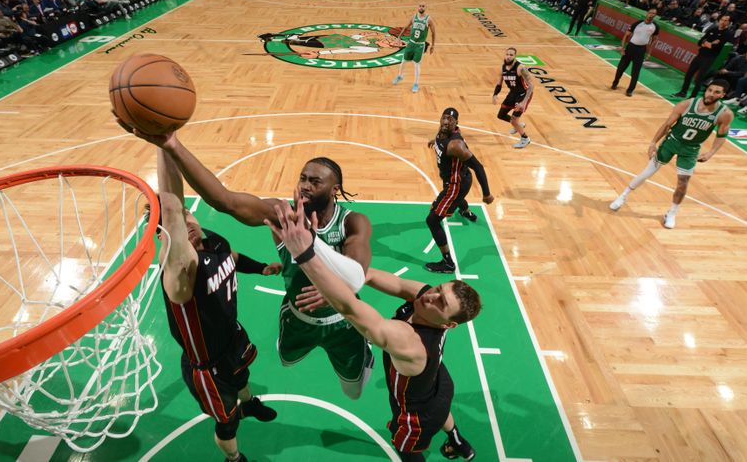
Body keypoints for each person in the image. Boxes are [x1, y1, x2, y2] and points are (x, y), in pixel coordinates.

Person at [119, 126, 375, 400]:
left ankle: (363, 354)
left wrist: (329, 286)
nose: (305, 186)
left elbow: (357, 272)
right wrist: (172, 145)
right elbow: (225, 201)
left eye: (315, 182)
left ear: (335, 189)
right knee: (287, 358)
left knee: (353, 392)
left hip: (343, 319)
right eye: (303, 178)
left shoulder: (352, 222)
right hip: (298, 317)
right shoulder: (282, 214)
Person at [266, 196, 481, 462]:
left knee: (408, 451)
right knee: (440, 401)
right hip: (439, 383)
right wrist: (343, 281)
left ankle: (445, 444)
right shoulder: (426, 301)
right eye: (439, 289)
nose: (431, 296)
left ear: (449, 324)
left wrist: (305, 253)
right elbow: (369, 275)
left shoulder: (409, 342)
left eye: (441, 302)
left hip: (416, 413)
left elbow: (349, 309)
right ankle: (457, 439)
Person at [154, 148, 278, 462]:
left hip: (233, 338)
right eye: (179, 222)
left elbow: (232, 258)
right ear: (167, 235)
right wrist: (162, 142)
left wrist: (260, 267)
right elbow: (170, 207)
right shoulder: (181, 269)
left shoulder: (213, 240)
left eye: (188, 214)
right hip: (207, 367)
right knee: (227, 421)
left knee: (243, 377)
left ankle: (249, 403)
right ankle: (234, 458)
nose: (187, 221)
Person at [610, 80, 733, 228]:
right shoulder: (687, 105)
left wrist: (711, 153)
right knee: (646, 173)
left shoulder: (724, 114)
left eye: (717, 92)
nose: (711, 94)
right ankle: (623, 196)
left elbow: (721, 136)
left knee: (683, 183)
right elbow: (667, 124)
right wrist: (653, 142)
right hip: (671, 143)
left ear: (723, 94)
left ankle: (672, 212)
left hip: (691, 150)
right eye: (710, 90)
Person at [425, 107, 494, 273]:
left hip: (455, 184)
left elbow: (478, 166)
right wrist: (435, 142)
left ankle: (448, 263)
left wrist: (486, 193)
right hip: (456, 179)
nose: (446, 121)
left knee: (432, 220)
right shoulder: (443, 131)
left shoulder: (456, 145)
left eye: (450, 119)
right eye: (444, 118)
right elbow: (443, 138)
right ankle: (465, 211)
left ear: (456, 123)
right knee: (457, 199)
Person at [673, 15, 732, 99]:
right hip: (700, 55)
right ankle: (683, 92)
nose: (723, 21)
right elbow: (700, 42)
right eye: (722, 19)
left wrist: (708, 43)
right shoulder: (713, 29)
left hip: (709, 58)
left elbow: (717, 47)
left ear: (728, 23)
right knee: (689, 74)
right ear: (719, 20)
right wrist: (710, 43)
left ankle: (692, 97)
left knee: (699, 79)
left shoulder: (727, 33)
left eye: (726, 20)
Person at [611, 8, 659, 97]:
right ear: (647, 13)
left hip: (641, 50)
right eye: (650, 13)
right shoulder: (637, 23)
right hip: (630, 47)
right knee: (621, 68)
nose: (652, 15)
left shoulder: (655, 26)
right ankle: (615, 82)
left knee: (635, 72)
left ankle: (630, 90)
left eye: (654, 14)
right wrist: (622, 48)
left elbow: (654, 40)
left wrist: (649, 52)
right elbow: (626, 35)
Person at [492, 47, 534, 149]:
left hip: (523, 94)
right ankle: (519, 125)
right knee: (501, 115)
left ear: (515, 57)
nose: (508, 56)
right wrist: (495, 94)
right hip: (513, 93)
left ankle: (525, 138)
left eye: (511, 55)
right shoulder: (502, 68)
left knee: (514, 120)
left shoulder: (520, 68)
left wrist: (524, 102)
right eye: (507, 54)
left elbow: (531, 86)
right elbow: (499, 84)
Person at [392, 2, 436, 93]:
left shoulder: (429, 20)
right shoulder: (414, 17)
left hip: (419, 45)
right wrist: (399, 37)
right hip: (411, 43)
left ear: (426, 7)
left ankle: (416, 84)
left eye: (423, 6)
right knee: (403, 61)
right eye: (420, 6)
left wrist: (433, 45)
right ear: (418, 7)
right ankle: (400, 76)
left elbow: (433, 33)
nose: (421, 7)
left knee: (416, 65)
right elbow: (405, 27)